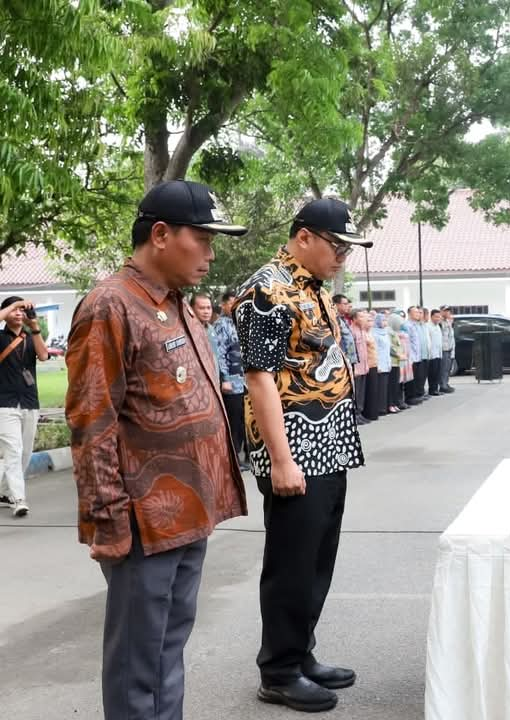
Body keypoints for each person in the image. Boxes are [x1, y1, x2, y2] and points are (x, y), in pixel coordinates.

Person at [65, 179, 248, 719]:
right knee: (137, 663)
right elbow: (91, 420)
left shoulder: (180, 306)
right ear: (162, 234)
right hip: (143, 521)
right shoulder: (110, 305)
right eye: (204, 238)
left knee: (168, 649)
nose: (212, 254)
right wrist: (107, 520)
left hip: (190, 512)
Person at [234, 197, 368, 713]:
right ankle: (280, 670)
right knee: (291, 563)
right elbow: (259, 378)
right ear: (304, 236)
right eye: (337, 247)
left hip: (329, 443)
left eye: (348, 250)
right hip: (294, 447)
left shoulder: (314, 289)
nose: (343, 258)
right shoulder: (266, 290)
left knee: (317, 559)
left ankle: (301, 651)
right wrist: (282, 459)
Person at [0, 297, 49, 517]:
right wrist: (12, 306)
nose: (19, 314)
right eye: (15, 310)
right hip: (5, 403)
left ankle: (3, 491)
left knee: (25, 452)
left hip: (29, 400)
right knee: (13, 450)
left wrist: (35, 327)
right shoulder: (1, 337)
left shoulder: (30, 338)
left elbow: (44, 355)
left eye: (23, 310)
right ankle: (18, 499)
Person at [213, 289, 250, 468]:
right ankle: (234, 459)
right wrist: (224, 378)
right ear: (225, 304)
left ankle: (247, 457)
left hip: (247, 381)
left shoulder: (241, 322)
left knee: (247, 420)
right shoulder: (222, 325)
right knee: (234, 422)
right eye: (233, 303)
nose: (236, 306)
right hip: (232, 383)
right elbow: (219, 354)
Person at [350, 310, 371, 424]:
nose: (364, 319)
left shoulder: (362, 331)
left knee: (361, 392)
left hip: (364, 366)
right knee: (356, 392)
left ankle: (360, 413)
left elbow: (364, 351)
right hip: (357, 367)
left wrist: (366, 365)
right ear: (354, 319)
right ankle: (355, 415)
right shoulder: (351, 331)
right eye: (361, 317)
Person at [404, 307, 426, 404]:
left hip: (417, 356)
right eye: (415, 312)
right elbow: (406, 341)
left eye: (418, 312)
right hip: (411, 356)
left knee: (417, 377)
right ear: (409, 313)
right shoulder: (407, 325)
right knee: (411, 378)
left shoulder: (416, 325)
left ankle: (416, 394)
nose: (418, 314)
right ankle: (410, 397)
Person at [438, 306, 456, 393]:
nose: (448, 312)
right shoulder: (440, 322)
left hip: (450, 348)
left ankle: (446, 383)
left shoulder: (449, 321)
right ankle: (443, 385)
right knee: (444, 368)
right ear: (441, 311)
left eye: (449, 311)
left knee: (448, 368)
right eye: (446, 311)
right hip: (444, 349)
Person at [427, 308, 444, 396]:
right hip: (432, 354)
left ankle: (436, 389)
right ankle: (432, 390)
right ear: (432, 316)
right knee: (432, 373)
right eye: (436, 317)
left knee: (437, 372)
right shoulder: (428, 326)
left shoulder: (438, 326)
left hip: (438, 353)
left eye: (439, 317)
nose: (438, 319)